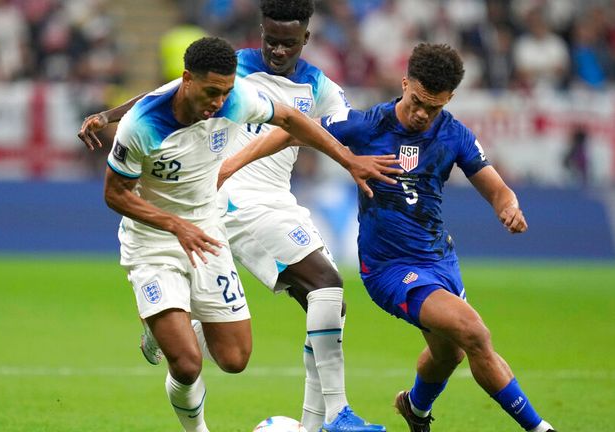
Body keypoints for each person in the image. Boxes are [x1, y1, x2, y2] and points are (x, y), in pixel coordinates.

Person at [77, 2, 390, 431]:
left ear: (306, 39)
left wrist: (350, 160)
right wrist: (111, 119)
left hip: (211, 227)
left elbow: (294, 120)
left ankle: (171, 327)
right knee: (189, 363)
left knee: (237, 358)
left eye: (289, 42)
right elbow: (115, 190)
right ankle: (328, 417)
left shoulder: (247, 94)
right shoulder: (147, 124)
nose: (220, 102)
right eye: (271, 40)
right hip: (174, 227)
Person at [228, 43, 558, 432]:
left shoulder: (455, 136)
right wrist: (230, 166)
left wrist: (509, 207)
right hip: (390, 269)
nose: (421, 113)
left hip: (439, 260)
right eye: (416, 100)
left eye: (432, 107)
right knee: (474, 333)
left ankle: (415, 408)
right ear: (405, 83)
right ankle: (540, 428)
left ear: (449, 99)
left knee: (448, 354)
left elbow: (497, 188)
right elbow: (291, 133)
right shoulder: (369, 125)